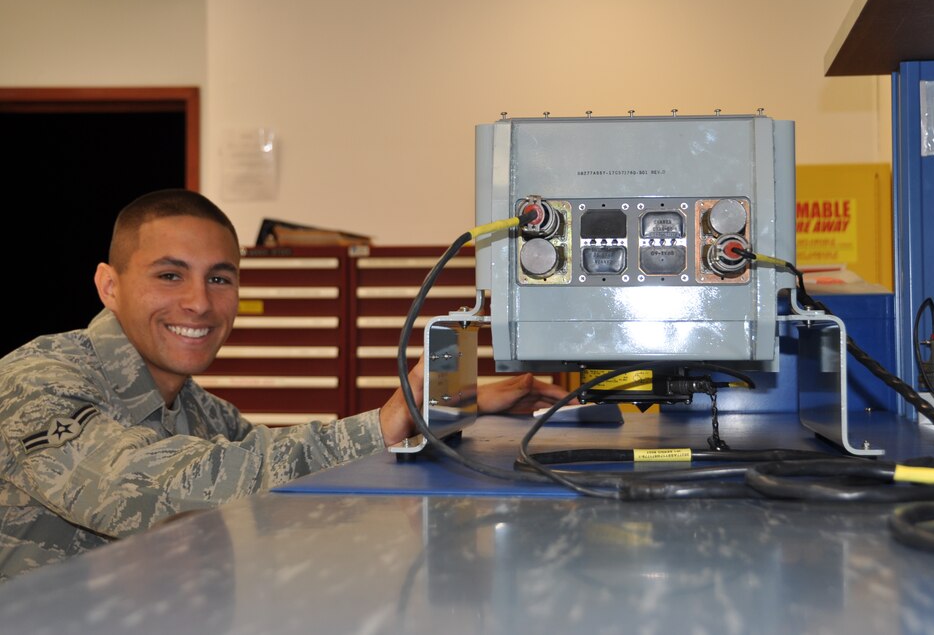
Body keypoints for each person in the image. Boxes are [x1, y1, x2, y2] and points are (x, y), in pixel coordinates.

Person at [0, 189, 566, 582]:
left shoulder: (201, 410)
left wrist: (453, 405)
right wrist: (386, 420)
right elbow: (150, 486)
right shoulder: (40, 380)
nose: (199, 302)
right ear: (109, 284)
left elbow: (285, 474)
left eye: (219, 279)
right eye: (169, 275)